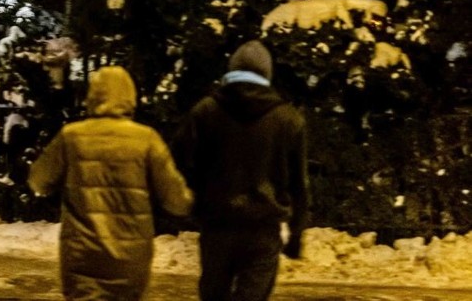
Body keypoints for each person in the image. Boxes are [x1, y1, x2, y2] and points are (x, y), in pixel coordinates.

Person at [28, 64, 193, 301]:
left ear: (92, 96)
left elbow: (38, 181)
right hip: (131, 259)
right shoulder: (146, 139)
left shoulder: (72, 137)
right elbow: (176, 200)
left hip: (82, 256)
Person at [175, 40, 308, 301]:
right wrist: (296, 234)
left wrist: (193, 204)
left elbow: (178, 162)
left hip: (217, 224)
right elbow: (298, 185)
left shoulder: (205, 111)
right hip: (263, 228)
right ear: (267, 75)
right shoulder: (289, 120)